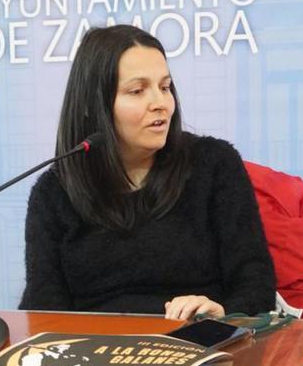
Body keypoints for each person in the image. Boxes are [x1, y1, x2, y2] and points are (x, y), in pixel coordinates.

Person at [19, 25, 275, 320]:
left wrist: (226, 313)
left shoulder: (214, 164)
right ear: (94, 104)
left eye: (165, 87)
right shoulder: (54, 192)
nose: (160, 104)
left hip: (199, 348)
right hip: (96, 356)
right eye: (137, 91)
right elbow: (43, 308)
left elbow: (255, 282)